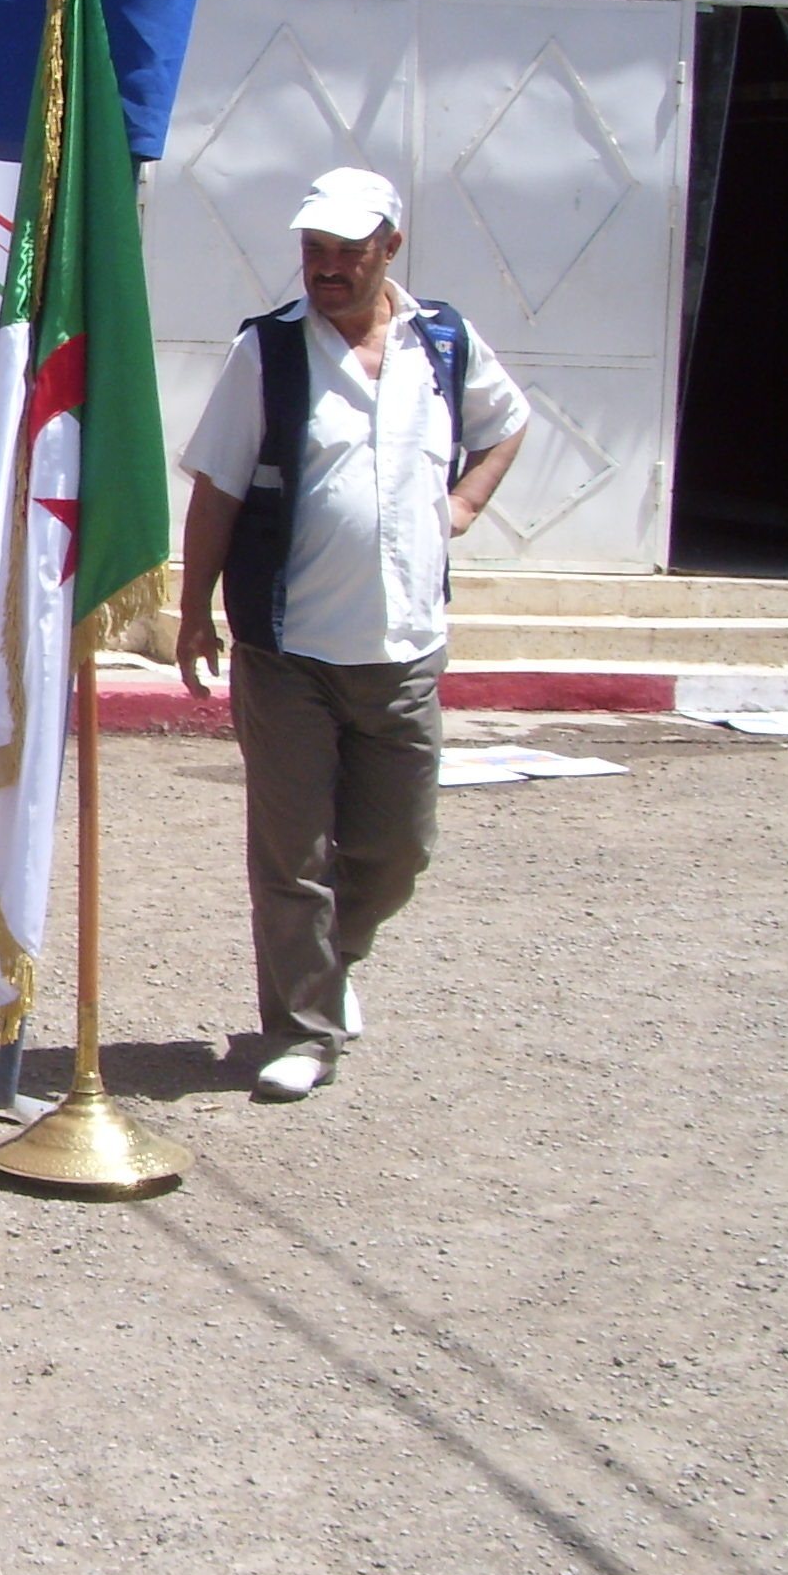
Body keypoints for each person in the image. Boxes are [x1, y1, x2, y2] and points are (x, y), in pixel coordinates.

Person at [174, 167, 528, 1103]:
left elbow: (507, 423)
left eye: (348, 252)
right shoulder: (268, 352)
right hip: (287, 650)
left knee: (397, 849)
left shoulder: (442, 342)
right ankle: (302, 1029)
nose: (328, 269)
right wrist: (194, 609)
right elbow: (217, 488)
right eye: (315, 251)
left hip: (404, 649)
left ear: (390, 249)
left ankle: (332, 963)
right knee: (292, 856)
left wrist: (465, 503)